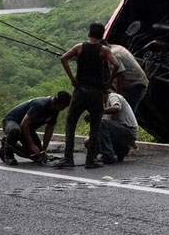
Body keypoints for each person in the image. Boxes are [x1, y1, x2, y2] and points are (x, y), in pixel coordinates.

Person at [52, 23, 123, 169]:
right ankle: (90, 160)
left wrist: (72, 79)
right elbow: (115, 65)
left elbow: (63, 59)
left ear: (89, 33)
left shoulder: (79, 47)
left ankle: (68, 158)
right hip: (96, 93)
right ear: (102, 35)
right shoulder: (103, 50)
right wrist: (109, 82)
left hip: (80, 91)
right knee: (95, 127)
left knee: (71, 124)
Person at [0, 91, 71, 165]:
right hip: (12, 121)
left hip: (27, 128)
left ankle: (9, 144)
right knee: (15, 130)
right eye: (63, 107)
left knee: (37, 155)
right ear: (58, 103)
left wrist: (44, 149)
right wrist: (31, 144)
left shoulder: (55, 110)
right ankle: (8, 155)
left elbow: (49, 129)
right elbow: (24, 124)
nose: (63, 109)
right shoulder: (40, 105)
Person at [85, 86, 139, 164]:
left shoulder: (113, 97)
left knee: (101, 123)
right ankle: (119, 151)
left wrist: (98, 112)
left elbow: (116, 108)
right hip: (120, 134)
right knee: (88, 142)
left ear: (104, 93)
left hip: (127, 131)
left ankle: (108, 155)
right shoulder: (105, 104)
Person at [109, 43, 149, 114]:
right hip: (135, 83)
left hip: (134, 85)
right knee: (125, 114)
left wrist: (118, 96)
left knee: (124, 114)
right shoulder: (116, 47)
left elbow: (120, 76)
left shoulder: (113, 54)